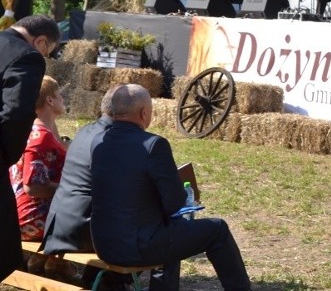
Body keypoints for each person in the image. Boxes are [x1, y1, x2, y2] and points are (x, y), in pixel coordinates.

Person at [90, 84, 251, 291]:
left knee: (172, 233)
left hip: (104, 244)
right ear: (144, 113)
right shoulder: (154, 145)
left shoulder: (99, 141)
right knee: (217, 229)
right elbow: (175, 202)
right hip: (139, 246)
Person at [42, 86, 131, 290]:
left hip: (58, 222)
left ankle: (99, 279)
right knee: (142, 233)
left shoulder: (86, 130)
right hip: (80, 231)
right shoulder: (111, 139)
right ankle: (109, 282)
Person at [0, 14, 60, 280]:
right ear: (42, 43)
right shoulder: (27, 56)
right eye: (48, 52)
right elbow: (15, 113)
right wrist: (7, 156)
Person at [9, 75, 77, 280]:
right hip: (29, 218)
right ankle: (57, 264)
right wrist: (73, 189)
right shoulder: (40, 136)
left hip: (17, 214)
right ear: (50, 100)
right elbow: (33, 186)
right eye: (60, 95)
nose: (63, 99)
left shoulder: (31, 130)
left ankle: (44, 261)